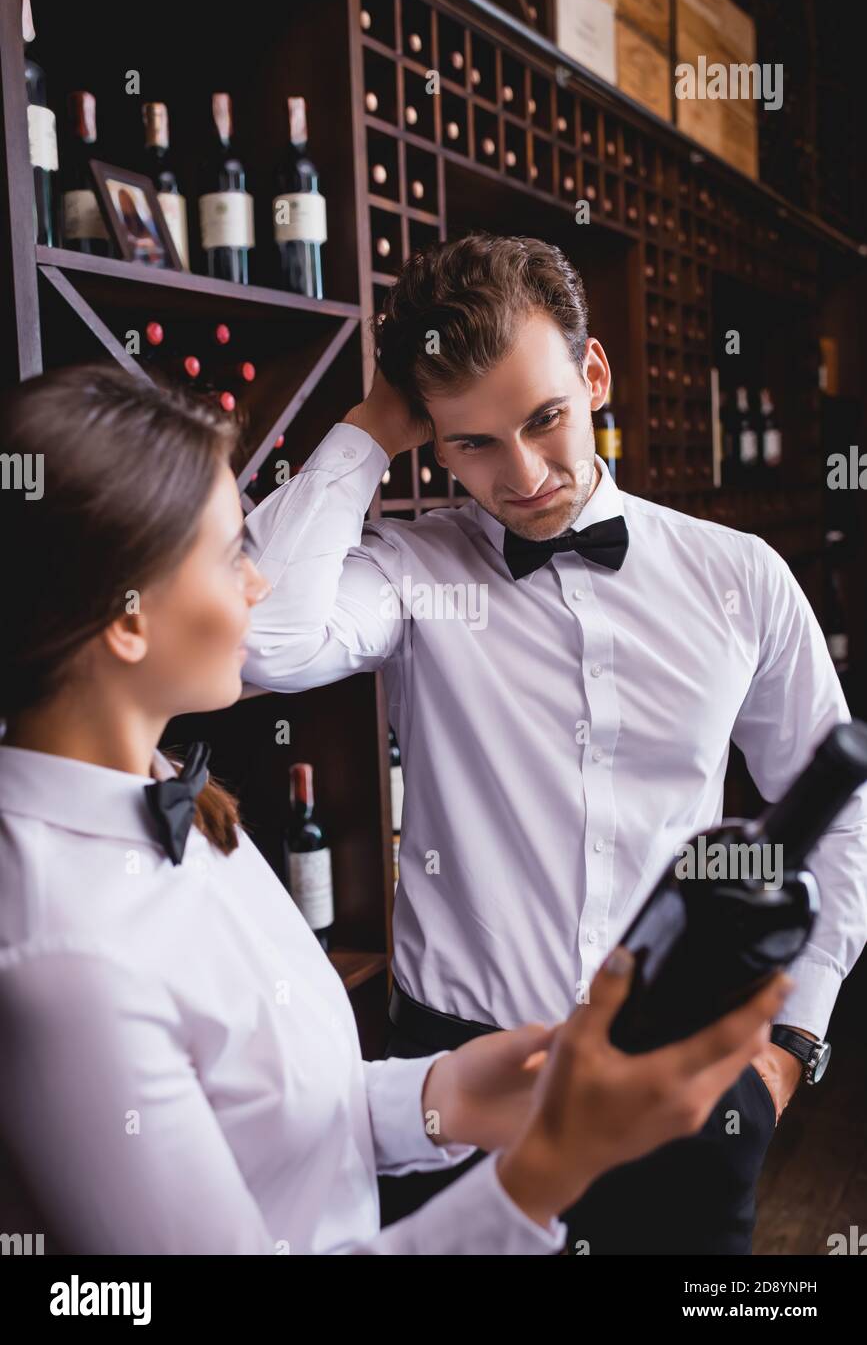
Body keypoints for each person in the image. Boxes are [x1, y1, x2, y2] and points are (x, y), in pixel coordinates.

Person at [0, 363, 792, 1255]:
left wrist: (440, 1096)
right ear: (129, 619)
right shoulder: (62, 956)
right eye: (231, 554)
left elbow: (275, 1108)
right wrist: (546, 1170)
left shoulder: (183, 805)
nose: (258, 585)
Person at [241, 232, 867, 1254]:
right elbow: (265, 640)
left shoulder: (739, 576)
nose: (524, 475)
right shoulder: (408, 570)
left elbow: (839, 806)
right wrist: (371, 425)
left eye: (545, 419)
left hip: (679, 1078)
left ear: (595, 372)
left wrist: (794, 1043)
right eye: (472, 442)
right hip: (456, 1086)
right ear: (432, 440)